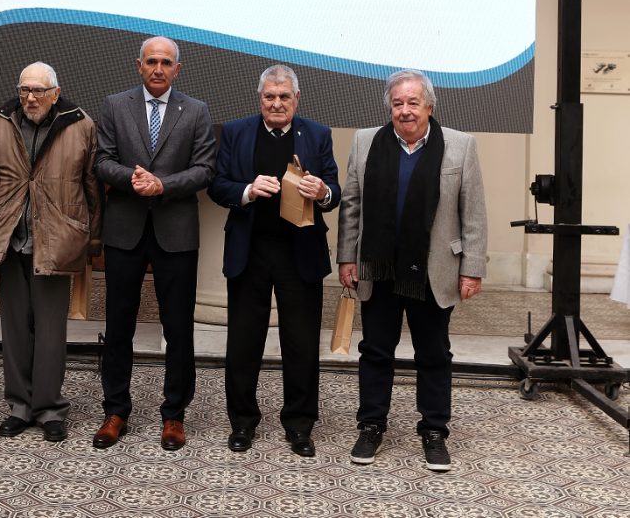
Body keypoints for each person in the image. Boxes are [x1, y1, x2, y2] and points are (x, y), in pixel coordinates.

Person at [337, 69, 487, 472]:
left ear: (429, 106)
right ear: (390, 107)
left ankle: (434, 431)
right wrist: (347, 258)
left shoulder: (460, 146)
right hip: (379, 267)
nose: (405, 111)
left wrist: (471, 268)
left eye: (412, 103)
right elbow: (351, 205)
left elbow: (472, 214)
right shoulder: (366, 142)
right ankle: (371, 426)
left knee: (433, 353)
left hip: (433, 269)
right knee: (376, 351)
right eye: (398, 103)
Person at [207, 64, 340, 456]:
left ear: (296, 99)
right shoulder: (235, 132)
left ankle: (299, 425)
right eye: (270, 96)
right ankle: (243, 422)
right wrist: (247, 189)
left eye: (284, 97)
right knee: (244, 342)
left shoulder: (318, 134)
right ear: (259, 98)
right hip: (250, 251)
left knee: (300, 343)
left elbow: (335, 190)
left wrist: (322, 192)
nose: (277, 103)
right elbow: (217, 184)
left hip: (300, 253)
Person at [93, 36, 215, 451]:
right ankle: (115, 411)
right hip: (125, 230)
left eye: (166, 62)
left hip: (175, 232)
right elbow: (102, 161)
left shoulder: (196, 110)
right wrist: (133, 179)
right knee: (118, 325)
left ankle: (174, 415)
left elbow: (204, 170)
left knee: (178, 327)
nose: (158, 68)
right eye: (151, 62)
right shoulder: (114, 105)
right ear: (138, 66)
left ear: (177, 69)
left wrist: (163, 184)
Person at [0, 62, 101, 442]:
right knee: (14, 329)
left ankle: (49, 408)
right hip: (11, 242)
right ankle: (18, 406)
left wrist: (88, 240)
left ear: (56, 93)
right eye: (25, 90)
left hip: (57, 242)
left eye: (38, 91)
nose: (30, 98)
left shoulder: (81, 126)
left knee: (50, 332)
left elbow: (92, 189)